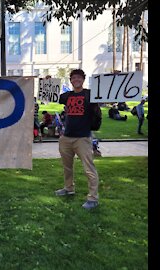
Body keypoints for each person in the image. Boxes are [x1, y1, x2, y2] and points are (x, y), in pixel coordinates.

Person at [55, 69, 100, 210]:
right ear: (71, 80)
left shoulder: (90, 94)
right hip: (66, 137)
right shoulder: (67, 96)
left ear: (83, 79)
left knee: (89, 169)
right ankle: (69, 189)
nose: (76, 80)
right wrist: (48, 81)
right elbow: (52, 96)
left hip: (83, 138)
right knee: (67, 167)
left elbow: (106, 96)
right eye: (74, 78)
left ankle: (93, 198)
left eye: (79, 77)